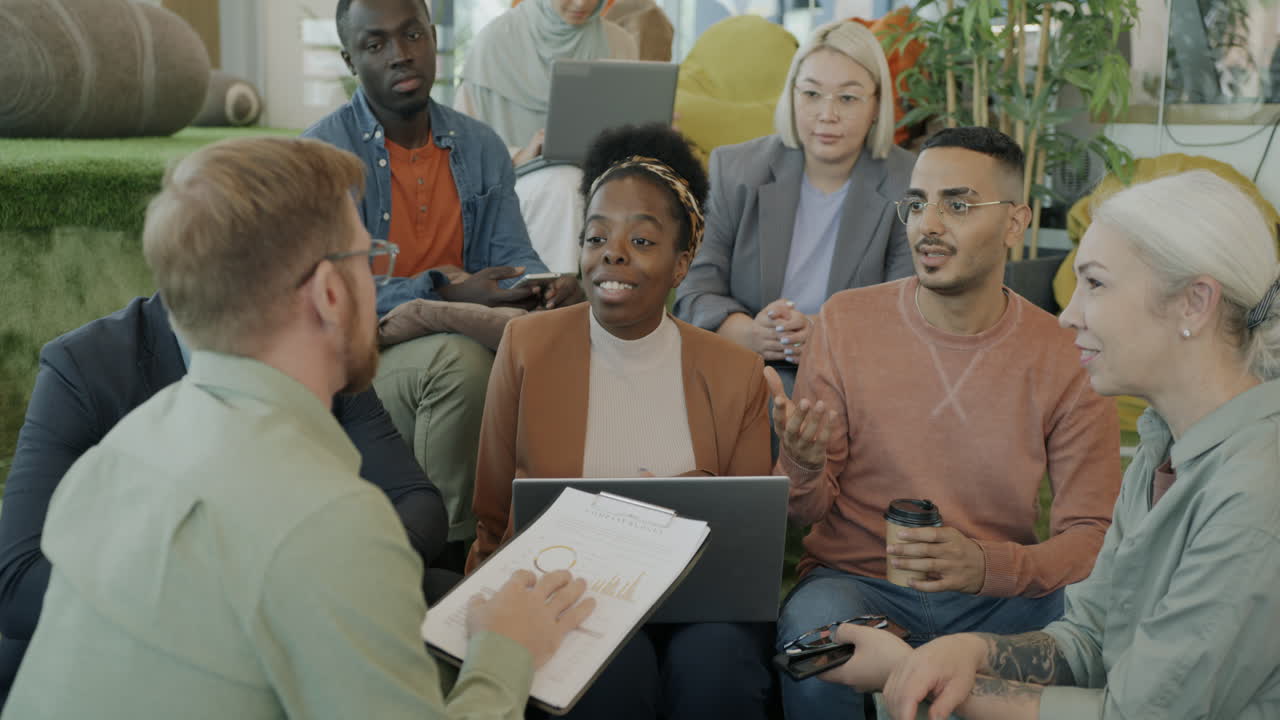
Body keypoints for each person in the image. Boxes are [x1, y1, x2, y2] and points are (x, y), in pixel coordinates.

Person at [1, 136, 595, 719]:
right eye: (369, 260)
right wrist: (506, 650)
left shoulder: (121, 452)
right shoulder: (332, 520)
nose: (376, 284)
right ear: (330, 293)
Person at [827, 169, 1280, 720]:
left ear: (1194, 302)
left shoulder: (1257, 488)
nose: (1068, 315)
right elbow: (1090, 636)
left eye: (1096, 284)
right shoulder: (1162, 445)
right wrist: (966, 652)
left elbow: (1139, 714)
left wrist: (909, 674)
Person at [767, 126, 1122, 720]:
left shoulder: (1066, 353)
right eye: (917, 204)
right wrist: (801, 464)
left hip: (1001, 599)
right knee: (815, 643)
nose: (926, 224)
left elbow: (1092, 536)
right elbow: (806, 512)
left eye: (957, 205)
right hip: (858, 587)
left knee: (1102, 630)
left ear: (1015, 223)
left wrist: (986, 566)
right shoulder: (846, 321)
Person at [0, 292, 450, 704]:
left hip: (311, 600)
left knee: (444, 598)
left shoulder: (320, 341)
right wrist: (250, 603)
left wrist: (336, 582)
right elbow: (18, 581)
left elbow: (416, 502)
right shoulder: (83, 366)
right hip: (138, 642)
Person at [466, 124, 774, 720]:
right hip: (570, 596)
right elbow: (494, 513)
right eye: (596, 236)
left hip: (700, 605)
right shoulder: (526, 346)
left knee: (717, 669)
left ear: (681, 264)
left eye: (642, 240)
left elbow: (745, 545)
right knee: (609, 672)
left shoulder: (736, 372)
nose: (612, 253)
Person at [304, 0, 583, 565]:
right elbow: (329, 297)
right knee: (461, 363)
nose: (400, 54)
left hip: (465, 326)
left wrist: (545, 287)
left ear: (433, 37)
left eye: (412, 35)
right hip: (364, 360)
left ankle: (563, 540)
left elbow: (512, 255)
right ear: (350, 60)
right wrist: (444, 291)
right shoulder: (321, 158)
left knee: (569, 334)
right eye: (376, 44)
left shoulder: (479, 146)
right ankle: (447, 558)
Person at [674, 19, 915, 393]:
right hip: (745, 369)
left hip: (855, 378)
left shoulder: (909, 183)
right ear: (792, 96)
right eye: (812, 94)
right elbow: (695, 290)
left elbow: (908, 308)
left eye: (848, 98)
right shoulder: (737, 170)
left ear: (876, 106)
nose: (827, 114)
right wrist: (752, 334)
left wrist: (822, 332)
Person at [456, 0, 640, 274]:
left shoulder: (619, 42)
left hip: (603, 178)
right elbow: (462, 148)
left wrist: (648, 131)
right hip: (515, 183)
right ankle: (555, 293)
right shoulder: (495, 41)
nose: (582, 3)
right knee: (563, 183)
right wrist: (518, 155)